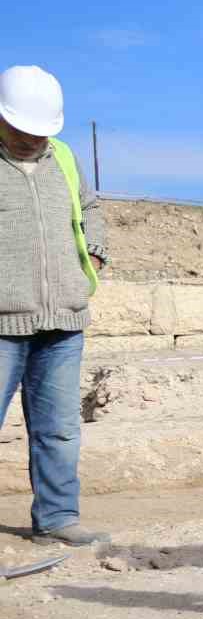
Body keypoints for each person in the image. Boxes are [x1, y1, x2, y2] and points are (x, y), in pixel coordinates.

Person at [0, 65, 108, 546]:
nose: (32, 139)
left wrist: (96, 252)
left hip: (63, 321)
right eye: (22, 130)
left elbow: (90, 208)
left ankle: (58, 518)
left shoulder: (63, 156)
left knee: (59, 430)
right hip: (2, 323)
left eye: (40, 132)